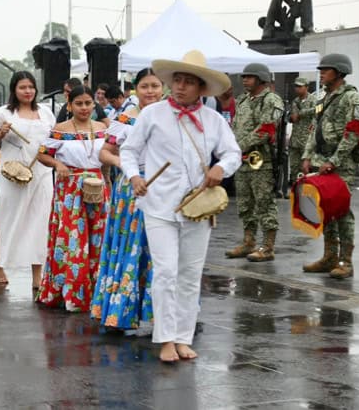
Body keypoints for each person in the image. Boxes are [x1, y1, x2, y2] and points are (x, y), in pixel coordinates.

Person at [120, 50, 241, 362]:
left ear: (201, 88)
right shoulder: (152, 114)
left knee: (190, 274)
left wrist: (220, 169)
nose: (180, 86)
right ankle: (165, 340)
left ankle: (183, 337)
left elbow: (233, 153)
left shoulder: (213, 120)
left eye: (188, 82)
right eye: (177, 80)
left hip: (198, 209)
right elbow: (129, 151)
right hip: (159, 206)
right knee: (165, 272)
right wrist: (134, 177)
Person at [91, 68, 164, 330]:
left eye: (155, 86)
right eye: (145, 86)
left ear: (163, 88)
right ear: (135, 90)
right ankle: (120, 312)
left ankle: (165, 317)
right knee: (131, 246)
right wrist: (124, 163)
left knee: (161, 249)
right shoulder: (124, 119)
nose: (150, 91)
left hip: (164, 187)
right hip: (131, 188)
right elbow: (104, 153)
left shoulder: (171, 116)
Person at [36, 85, 109, 312]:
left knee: (98, 237)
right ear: (70, 105)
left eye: (88, 103)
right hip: (69, 188)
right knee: (73, 240)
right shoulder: (59, 130)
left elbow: (107, 159)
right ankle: (71, 293)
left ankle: (95, 291)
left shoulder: (102, 128)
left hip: (97, 187)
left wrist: (108, 183)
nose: (84, 108)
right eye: (79, 103)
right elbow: (41, 154)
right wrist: (58, 164)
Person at [0, 71, 55, 286]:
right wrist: (0, 134)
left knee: (40, 221)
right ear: (14, 89)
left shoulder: (46, 113)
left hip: (41, 174)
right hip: (12, 174)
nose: (28, 91)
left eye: (31, 87)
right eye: (23, 87)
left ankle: (37, 274)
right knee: (7, 217)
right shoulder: (3, 113)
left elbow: (55, 140)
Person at [302, 54, 359, 279]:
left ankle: (345, 262)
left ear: (339, 73)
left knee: (342, 212)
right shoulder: (323, 99)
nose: (321, 73)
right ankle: (329, 257)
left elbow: (353, 132)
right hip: (322, 162)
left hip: (341, 165)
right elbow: (314, 128)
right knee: (327, 210)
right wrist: (307, 155)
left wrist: (334, 161)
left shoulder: (353, 99)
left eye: (326, 70)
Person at [225, 63, 283, 262]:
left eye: (249, 76)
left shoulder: (271, 100)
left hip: (261, 161)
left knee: (264, 203)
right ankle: (248, 242)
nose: (244, 80)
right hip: (242, 161)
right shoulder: (242, 100)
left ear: (261, 79)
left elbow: (267, 129)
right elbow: (234, 127)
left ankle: (267, 247)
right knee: (245, 204)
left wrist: (239, 145)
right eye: (244, 76)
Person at [288, 77, 316, 185]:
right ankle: (296, 190)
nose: (297, 89)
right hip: (295, 140)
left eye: (300, 86)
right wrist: (292, 117)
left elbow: (318, 110)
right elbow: (294, 117)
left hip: (307, 141)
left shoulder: (313, 100)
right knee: (295, 168)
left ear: (306, 87)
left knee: (306, 168)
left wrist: (301, 113)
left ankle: (307, 190)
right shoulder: (295, 101)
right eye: (296, 86)